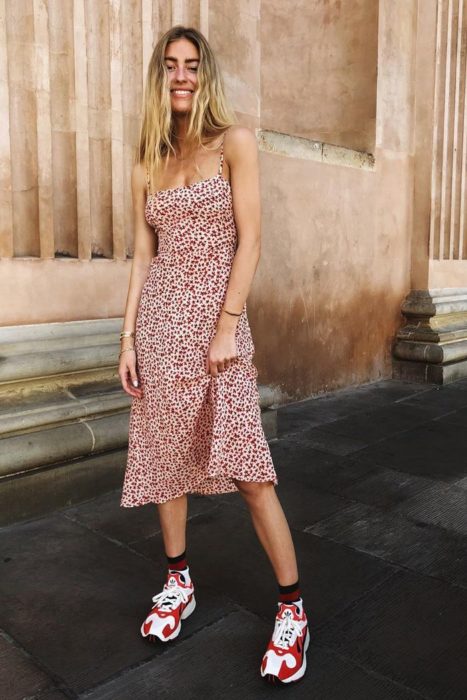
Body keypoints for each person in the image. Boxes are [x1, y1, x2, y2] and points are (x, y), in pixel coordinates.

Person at [118, 25, 309, 685]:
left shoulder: (235, 142)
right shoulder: (146, 159)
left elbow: (250, 241)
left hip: (218, 333)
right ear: (158, 75)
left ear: (204, 74)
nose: (180, 75)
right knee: (166, 463)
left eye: (191, 65)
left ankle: (292, 610)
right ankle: (178, 583)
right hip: (161, 331)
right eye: (170, 65)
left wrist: (227, 325)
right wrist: (127, 339)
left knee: (250, 473)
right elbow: (144, 255)